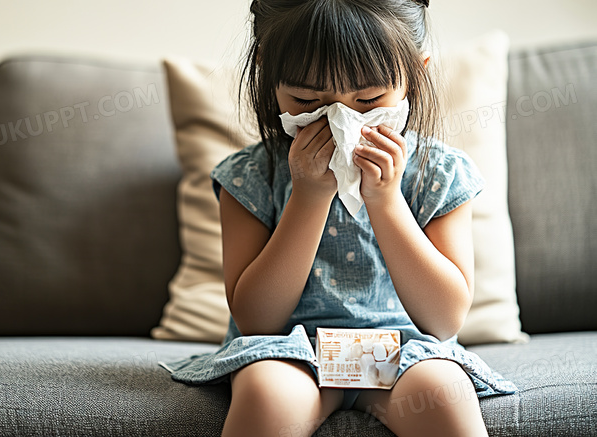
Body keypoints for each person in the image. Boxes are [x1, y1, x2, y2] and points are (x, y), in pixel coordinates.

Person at [158, 1, 518, 436]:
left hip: (406, 354)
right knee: (268, 394)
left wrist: (386, 201)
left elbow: (444, 320)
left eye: (368, 100)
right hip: (291, 351)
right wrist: (308, 198)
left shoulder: (438, 175)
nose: (340, 121)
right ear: (269, 79)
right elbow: (255, 320)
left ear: (415, 74)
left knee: (444, 396)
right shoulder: (250, 177)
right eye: (308, 101)